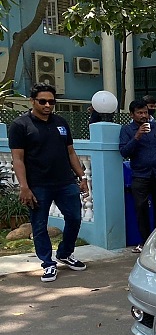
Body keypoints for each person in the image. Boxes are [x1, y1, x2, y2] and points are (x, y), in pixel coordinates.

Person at [8, 83, 89, 282]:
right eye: (42, 101)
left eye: (51, 102)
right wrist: (24, 187)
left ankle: (64, 253)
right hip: (38, 185)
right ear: (32, 101)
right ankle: (48, 263)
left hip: (65, 182)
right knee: (39, 225)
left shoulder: (61, 123)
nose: (47, 105)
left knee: (75, 218)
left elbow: (70, 152)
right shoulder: (20, 125)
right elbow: (17, 159)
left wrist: (82, 177)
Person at [119, 99, 156, 253]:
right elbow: (124, 151)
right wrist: (137, 136)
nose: (144, 116)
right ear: (132, 114)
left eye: (145, 112)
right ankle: (144, 241)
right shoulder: (127, 130)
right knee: (141, 209)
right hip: (140, 175)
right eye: (140, 113)